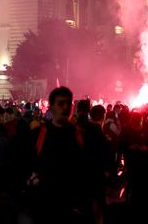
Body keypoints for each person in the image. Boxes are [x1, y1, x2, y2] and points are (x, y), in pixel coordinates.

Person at [26, 86, 101, 224]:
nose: (65, 108)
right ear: (52, 107)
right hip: (45, 207)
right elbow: (25, 166)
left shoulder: (82, 136)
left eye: (69, 104)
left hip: (75, 207)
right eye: (61, 103)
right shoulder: (37, 135)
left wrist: (95, 204)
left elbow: (92, 171)